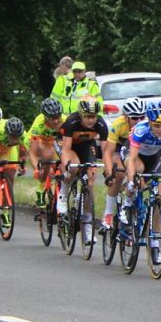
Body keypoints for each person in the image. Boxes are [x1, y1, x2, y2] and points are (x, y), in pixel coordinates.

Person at [123, 101, 161, 265]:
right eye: (157, 126)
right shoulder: (141, 130)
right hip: (134, 156)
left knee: (159, 194)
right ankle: (127, 202)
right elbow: (133, 159)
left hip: (153, 159)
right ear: (149, 122)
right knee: (137, 175)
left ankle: (155, 243)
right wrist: (130, 181)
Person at [57, 95, 109, 244]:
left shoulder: (101, 124)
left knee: (90, 180)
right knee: (73, 167)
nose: (91, 120)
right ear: (81, 115)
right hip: (68, 145)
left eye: (93, 116)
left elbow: (105, 152)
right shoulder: (71, 122)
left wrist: (107, 169)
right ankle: (63, 193)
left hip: (87, 145)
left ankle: (87, 226)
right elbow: (66, 149)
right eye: (87, 117)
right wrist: (66, 165)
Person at [100, 97, 146, 229]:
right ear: (126, 117)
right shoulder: (119, 124)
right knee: (118, 174)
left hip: (136, 152)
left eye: (141, 117)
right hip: (119, 151)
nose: (138, 121)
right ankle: (108, 213)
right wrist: (109, 173)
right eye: (134, 118)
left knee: (141, 181)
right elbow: (108, 152)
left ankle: (134, 211)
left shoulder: (147, 125)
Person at [27, 98, 67, 208]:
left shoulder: (65, 120)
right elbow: (33, 152)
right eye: (52, 118)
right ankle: (41, 187)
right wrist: (36, 169)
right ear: (45, 117)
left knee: (61, 158)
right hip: (39, 139)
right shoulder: (39, 124)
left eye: (57, 117)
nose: (56, 121)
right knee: (47, 156)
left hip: (53, 139)